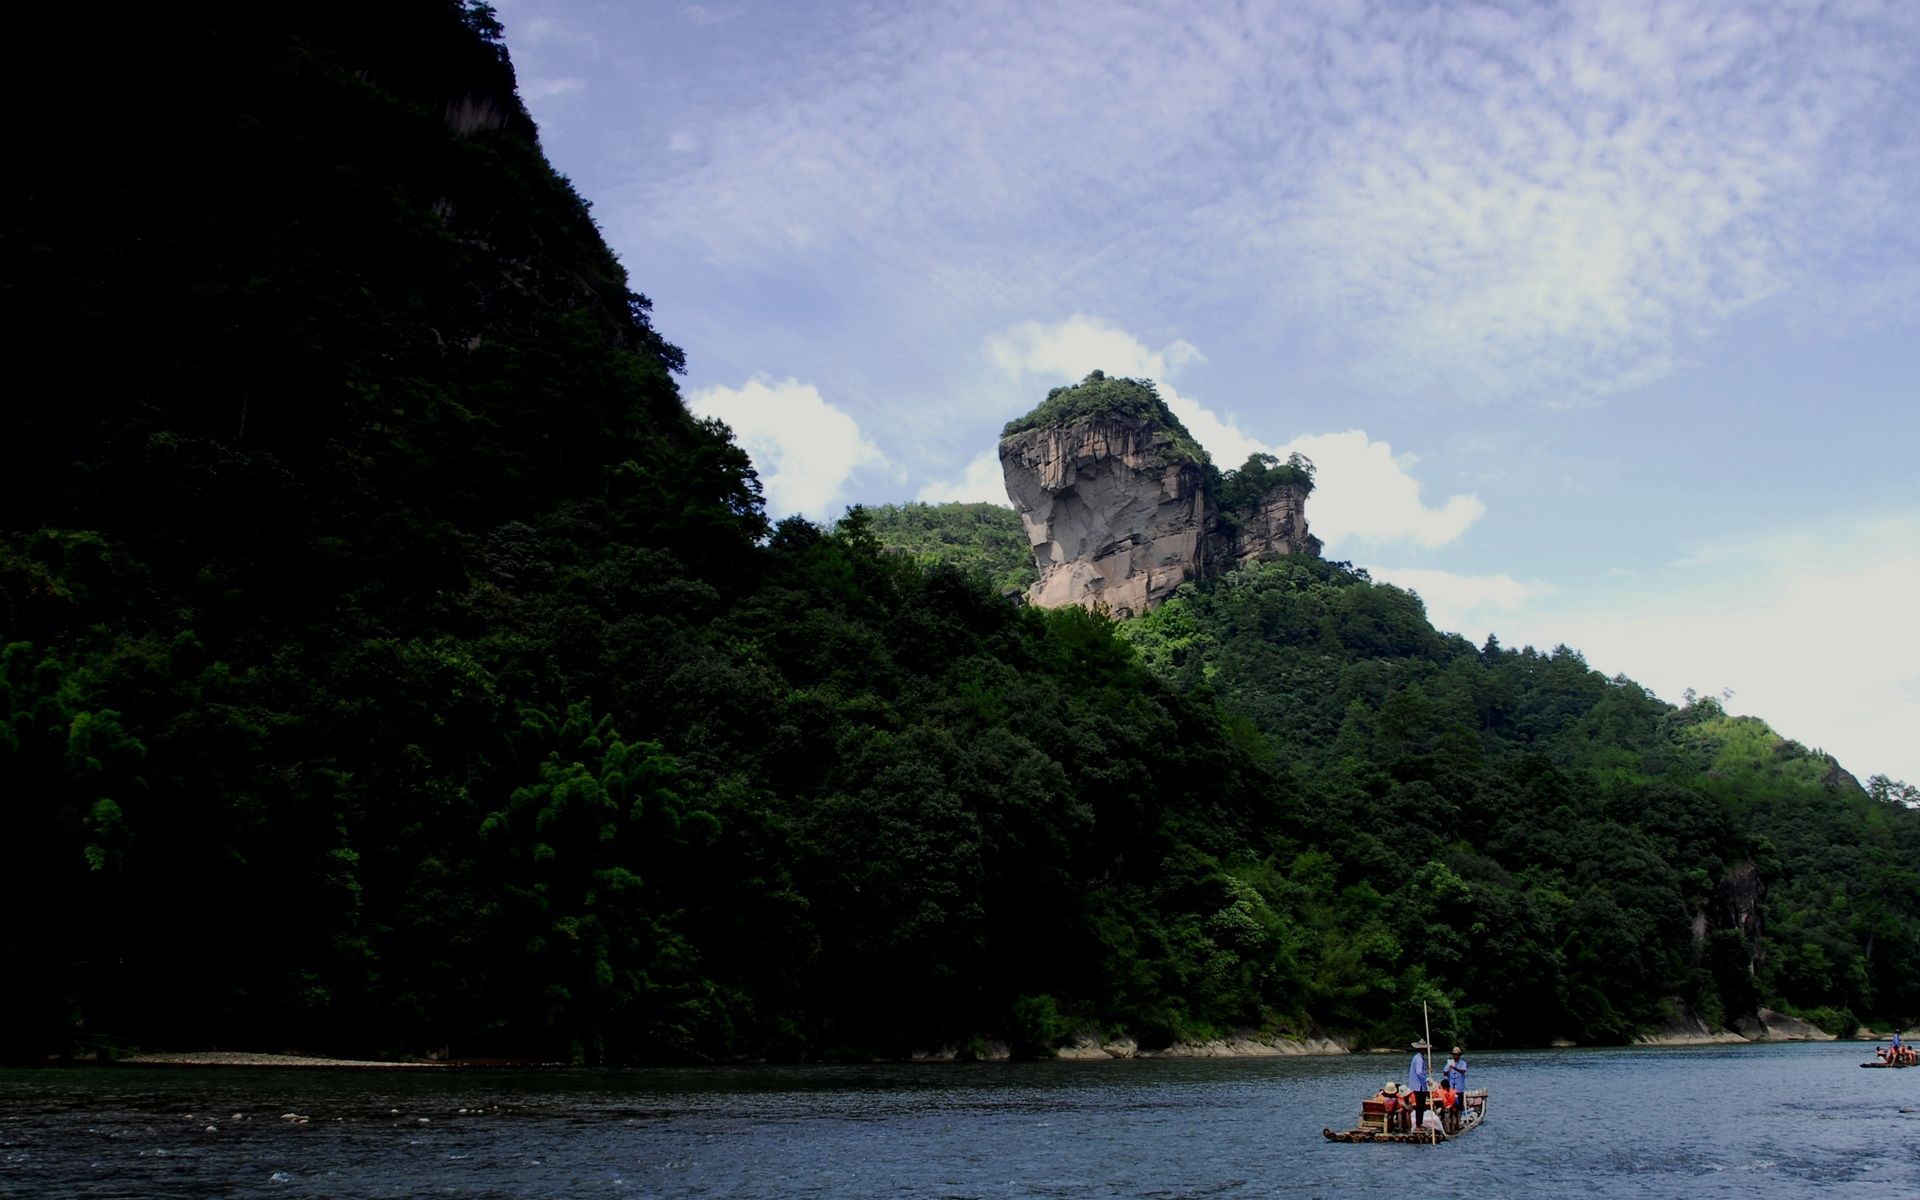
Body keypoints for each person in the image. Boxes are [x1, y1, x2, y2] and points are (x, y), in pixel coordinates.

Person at [1443, 1045, 1468, 1126]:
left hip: (1459, 1088)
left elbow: (1463, 1071)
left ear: (1459, 1055)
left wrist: (1454, 1068)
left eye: (1456, 1054)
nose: (1455, 1056)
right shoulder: (1449, 1062)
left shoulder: (1463, 1063)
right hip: (1451, 1088)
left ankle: (1459, 1120)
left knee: (1459, 1105)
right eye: (1454, 1054)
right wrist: (1448, 1070)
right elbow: (1444, 1073)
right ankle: (1451, 1119)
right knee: (1451, 1104)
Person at [1408, 1039, 1431, 1122]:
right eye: (1424, 1049)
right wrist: (1427, 1079)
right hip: (1419, 1086)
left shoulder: (1418, 1058)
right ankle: (1418, 1124)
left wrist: (1426, 1071)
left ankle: (1419, 1123)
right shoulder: (1419, 1059)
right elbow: (1418, 1072)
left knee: (1421, 1105)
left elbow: (1420, 1071)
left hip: (1418, 1086)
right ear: (1421, 1049)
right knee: (1420, 1105)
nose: (1425, 1050)